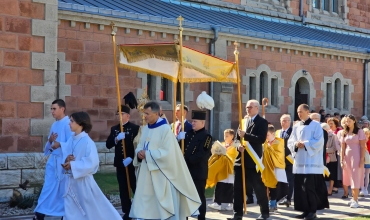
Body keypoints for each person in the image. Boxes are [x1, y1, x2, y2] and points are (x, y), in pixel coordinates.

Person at [129, 101, 201, 220]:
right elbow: (140, 145)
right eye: (144, 113)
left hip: (161, 174)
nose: (144, 116)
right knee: (146, 205)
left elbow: (168, 153)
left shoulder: (165, 129)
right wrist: (139, 153)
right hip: (146, 172)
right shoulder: (146, 129)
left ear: (156, 114)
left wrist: (149, 154)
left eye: (147, 113)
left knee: (160, 205)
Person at [60, 112, 122, 220]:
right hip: (70, 183)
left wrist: (73, 165)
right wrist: (66, 161)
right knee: (70, 212)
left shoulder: (88, 142)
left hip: (83, 184)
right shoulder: (71, 139)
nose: (69, 123)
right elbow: (65, 155)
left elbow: (92, 163)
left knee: (92, 212)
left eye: (72, 121)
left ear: (81, 123)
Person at [228, 99, 269, 220]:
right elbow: (235, 140)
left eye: (250, 107)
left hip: (253, 160)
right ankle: (237, 214)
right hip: (241, 161)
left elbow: (261, 139)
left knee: (258, 188)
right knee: (238, 189)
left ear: (257, 108)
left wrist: (245, 135)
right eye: (246, 107)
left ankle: (265, 212)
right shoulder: (243, 122)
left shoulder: (262, 122)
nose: (248, 109)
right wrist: (238, 146)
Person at [288, 104, 329, 220]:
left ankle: (313, 211)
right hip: (300, 161)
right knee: (301, 187)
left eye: (301, 111)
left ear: (307, 112)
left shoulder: (316, 125)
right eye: (298, 112)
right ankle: (305, 210)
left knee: (310, 187)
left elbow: (319, 141)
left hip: (312, 162)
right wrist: (296, 144)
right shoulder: (296, 126)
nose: (299, 114)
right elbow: (290, 141)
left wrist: (304, 144)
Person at [33, 99, 72, 220]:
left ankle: (62, 214)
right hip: (53, 161)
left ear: (62, 109)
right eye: (51, 109)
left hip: (63, 163)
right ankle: (40, 213)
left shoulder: (68, 123)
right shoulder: (54, 125)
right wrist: (50, 141)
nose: (52, 111)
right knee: (48, 188)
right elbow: (50, 145)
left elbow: (72, 143)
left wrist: (60, 144)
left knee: (62, 190)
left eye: (54, 109)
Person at [106, 105, 139, 220]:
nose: (119, 116)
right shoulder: (114, 129)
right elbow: (108, 144)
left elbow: (137, 145)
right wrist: (116, 139)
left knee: (135, 186)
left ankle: (139, 209)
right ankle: (127, 210)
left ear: (128, 116)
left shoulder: (135, 128)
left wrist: (132, 157)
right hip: (120, 164)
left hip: (131, 162)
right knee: (123, 188)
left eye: (121, 114)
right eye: (117, 114)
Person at [177, 110, 212, 220]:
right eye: (192, 121)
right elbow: (180, 149)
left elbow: (202, 154)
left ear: (202, 123)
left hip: (198, 172)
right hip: (186, 171)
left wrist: (186, 160)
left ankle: (201, 217)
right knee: (185, 196)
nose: (193, 123)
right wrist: (179, 140)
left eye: (195, 121)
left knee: (199, 196)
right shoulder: (188, 134)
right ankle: (185, 216)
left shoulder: (207, 137)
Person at [207, 129, 238, 211]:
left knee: (230, 186)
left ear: (232, 136)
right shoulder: (223, 144)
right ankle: (217, 203)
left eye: (227, 136)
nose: (225, 137)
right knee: (220, 184)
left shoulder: (236, 145)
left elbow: (234, 155)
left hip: (230, 167)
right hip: (222, 167)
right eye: (224, 136)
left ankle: (230, 204)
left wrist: (226, 155)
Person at [340, 114, 366, 208]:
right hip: (347, 156)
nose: (347, 123)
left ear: (354, 121)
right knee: (348, 177)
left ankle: (355, 199)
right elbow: (342, 147)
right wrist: (341, 160)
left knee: (355, 177)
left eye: (349, 121)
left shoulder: (360, 131)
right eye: (346, 121)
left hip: (356, 155)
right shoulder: (344, 132)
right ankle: (353, 198)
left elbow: (363, 146)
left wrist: (362, 159)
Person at [262, 125, 286, 212]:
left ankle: (273, 203)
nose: (266, 137)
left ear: (273, 134)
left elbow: (279, 155)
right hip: (266, 167)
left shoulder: (278, 143)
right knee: (266, 185)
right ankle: (267, 202)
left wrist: (268, 149)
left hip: (276, 167)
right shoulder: (265, 143)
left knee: (274, 185)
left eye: (267, 135)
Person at [276, 114, 294, 206]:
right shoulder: (278, 132)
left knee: (289, 179)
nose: (284, 122)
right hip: (279, 160)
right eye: (283, 120)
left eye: (286, 120)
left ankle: (288, 198)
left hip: (289, 159)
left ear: (290, 122)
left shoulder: (292, 132)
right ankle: (280, 197)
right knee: (280, 180)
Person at [321, 123, 340, 195]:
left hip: (331, 157)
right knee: (322, 174)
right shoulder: (319, 136)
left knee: (332, 174)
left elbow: (334, 148)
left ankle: (330, 189)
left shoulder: (333, 136)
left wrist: (324, 150)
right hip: (322, 158)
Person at [360, 128, 370, 197]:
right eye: (365, 133)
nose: (366, 135)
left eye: (367, 134)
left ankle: (365, 188)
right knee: (363, 175)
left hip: (366, 159)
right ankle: (363, 188)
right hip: (364, 159)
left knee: (366, 175)